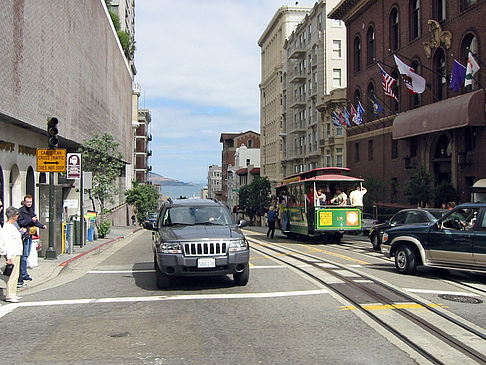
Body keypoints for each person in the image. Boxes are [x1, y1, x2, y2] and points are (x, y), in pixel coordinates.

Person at [17, 195, 46, 288]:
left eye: (30, 202)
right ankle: (22, 274)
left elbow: (35, 221)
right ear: (24, 202)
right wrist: (31, 220)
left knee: (27, 254)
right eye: (27, 202)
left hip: (29, 234)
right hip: (24, 235)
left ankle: (24, 274)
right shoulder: (21, 211)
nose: (29, 204)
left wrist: (41, 226)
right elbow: (21, 223)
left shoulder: (30, 210)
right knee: (24, 255)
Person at [3, 207, 25, 302]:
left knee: (16, 274)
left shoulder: (13, 226)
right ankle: (9, 295)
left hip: (17, 252)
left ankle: (13, 293)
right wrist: (8, 257)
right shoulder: (7, 227)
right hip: (12, 253)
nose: (18, 216)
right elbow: (7, 242)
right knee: (12, 275)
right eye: (16, 214)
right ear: (12, 216)